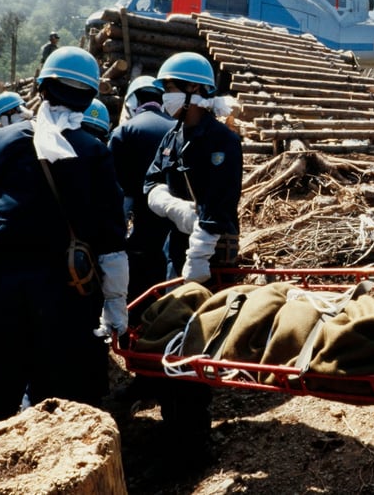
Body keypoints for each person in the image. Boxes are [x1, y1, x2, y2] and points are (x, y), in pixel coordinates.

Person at [0, 46, 128, 458]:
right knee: (60, 411)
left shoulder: (0, 139)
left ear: (40, 87)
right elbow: (111, 240)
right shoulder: (93, 151)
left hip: (3, 294)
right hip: (68, 297)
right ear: (90, 98)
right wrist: (116, 306)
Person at [142, 52, 242, 460]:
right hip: (177, 248)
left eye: (171, 89)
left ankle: (194, 435)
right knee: (176, 332)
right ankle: (177, 421)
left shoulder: (223, 140)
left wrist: (199, 254)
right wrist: (167, 203)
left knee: (199, 334)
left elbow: (220, 204)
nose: (165, 96)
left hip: (211, 253)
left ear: (197, 92)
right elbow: (151, 179)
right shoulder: (172, 135)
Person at [109, 75, 176, 318]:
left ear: (133, 100)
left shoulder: (124, 130)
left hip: (138, 229)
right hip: (174, 226)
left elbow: (114, 189)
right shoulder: (177, 128)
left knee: (136, 292)